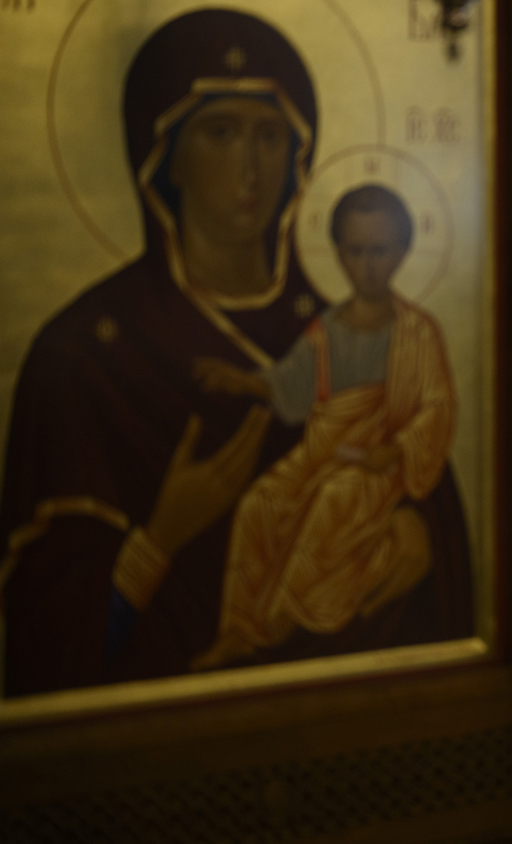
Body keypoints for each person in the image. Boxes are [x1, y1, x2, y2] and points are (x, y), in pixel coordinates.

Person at [0, 10, 473, 697]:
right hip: (160, 736)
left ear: (298, 157)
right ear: (165, 155)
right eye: (220, 133)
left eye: (270, 136)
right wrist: (158, 540)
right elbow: (43, 631)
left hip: (353, 713)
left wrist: (418, 526)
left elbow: (425, 452)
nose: (250, 168)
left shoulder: (357, 326)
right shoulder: (81, 354)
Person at [189, 185, 458, 670]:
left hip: (380, 466)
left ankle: (279, 624)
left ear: (402, 252)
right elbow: (291, 388)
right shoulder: (327, 328)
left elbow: (438, 407)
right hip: (323, 451)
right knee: (260, 503)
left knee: (335, 498)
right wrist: (243, 382)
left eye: (379, 251)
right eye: (356, 252)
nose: (367, 266)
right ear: (338, 253)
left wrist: (398, 449)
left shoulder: (419, 333)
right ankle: (239, 630)